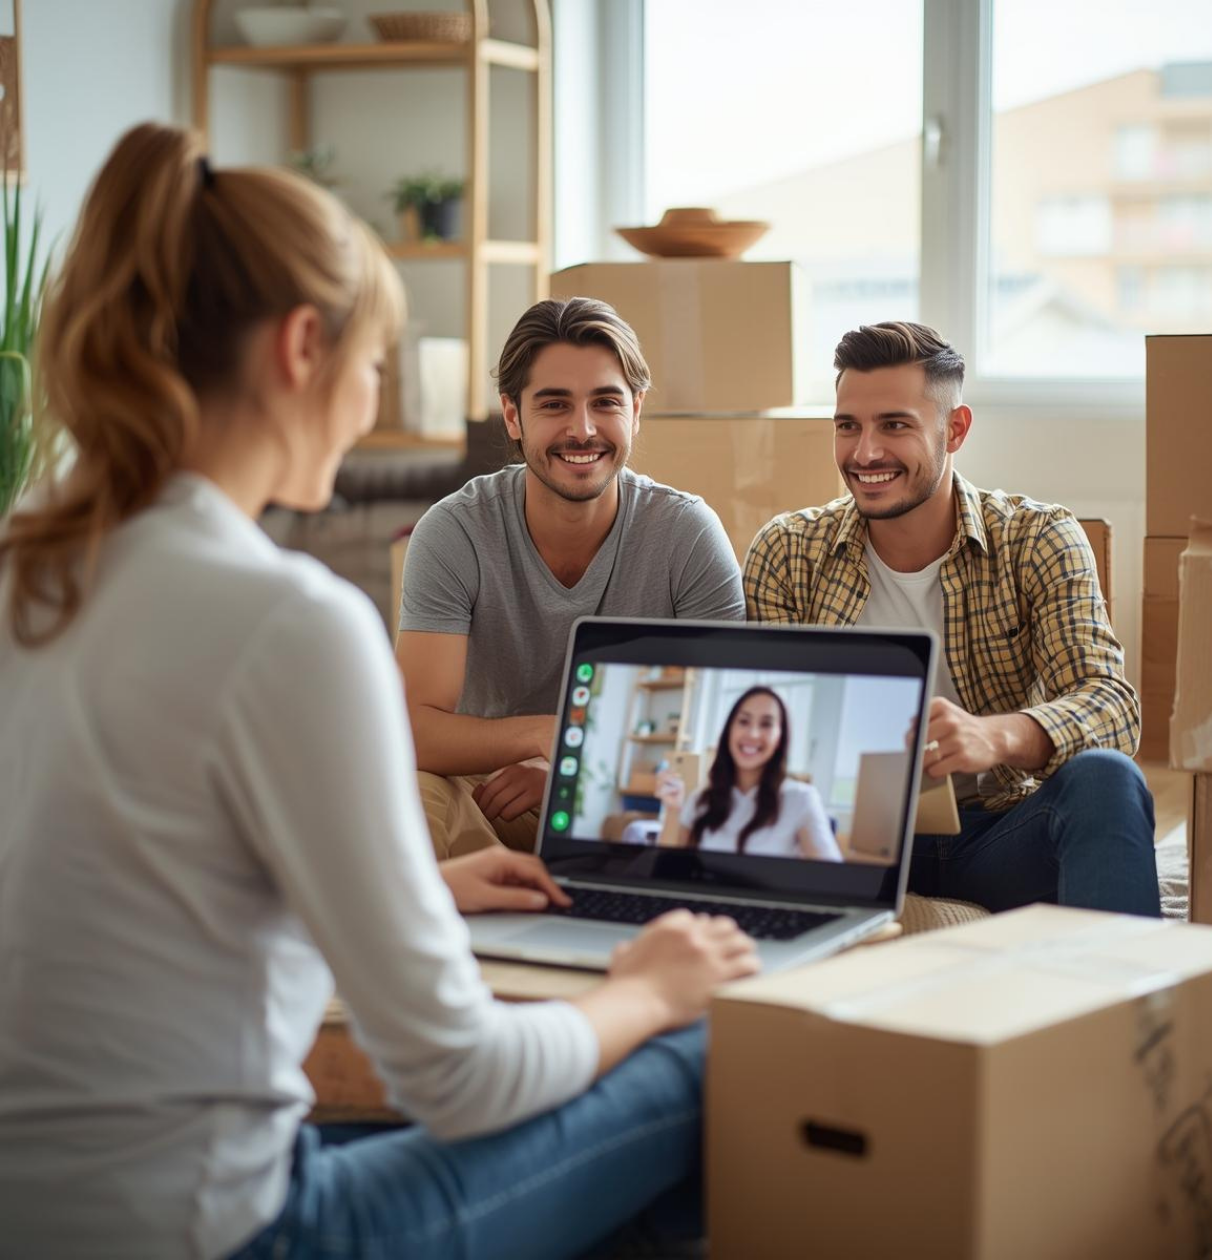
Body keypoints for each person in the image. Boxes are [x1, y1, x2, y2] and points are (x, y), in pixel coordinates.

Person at [0, 123, 759, 1260]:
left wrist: (422, 889)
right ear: (303, 348)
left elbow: (142, 888)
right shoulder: (292, 622)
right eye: (373, 368)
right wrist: (650, 990)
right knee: (702, 1055)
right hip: (230, 1231)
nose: (368, 405)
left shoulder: (27, 569)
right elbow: (464, 1080)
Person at [742, 321, 1159, 916]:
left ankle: (1123, 1005)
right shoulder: (786, 551)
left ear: (954, 429)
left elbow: (1112, 709)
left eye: (895, 425)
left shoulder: (1036, 538)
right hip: (845, 848)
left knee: (1108, 779)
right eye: (848, 426)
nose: (865, 453)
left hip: (996, 834)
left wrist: (997, 735)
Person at [396, 296, 746, 861]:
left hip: (639, 799)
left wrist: (582, 770)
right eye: (554, 404)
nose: (581, 430)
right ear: (513, 415)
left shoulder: (686, 533)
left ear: (635, 409)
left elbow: (725, 728)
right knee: (413, 795)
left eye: (604, 402)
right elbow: (411, 729)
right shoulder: (456, 530)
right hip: (492, 800)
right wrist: (549, 734)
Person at [655, 688, 841, 861]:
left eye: (766, 724)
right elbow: (667, 864)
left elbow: (833, 882)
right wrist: (673, 809)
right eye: (743, 721)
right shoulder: (701, 799)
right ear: (729, 730)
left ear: (780, 738)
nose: (753, 734)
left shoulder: (801, 799)